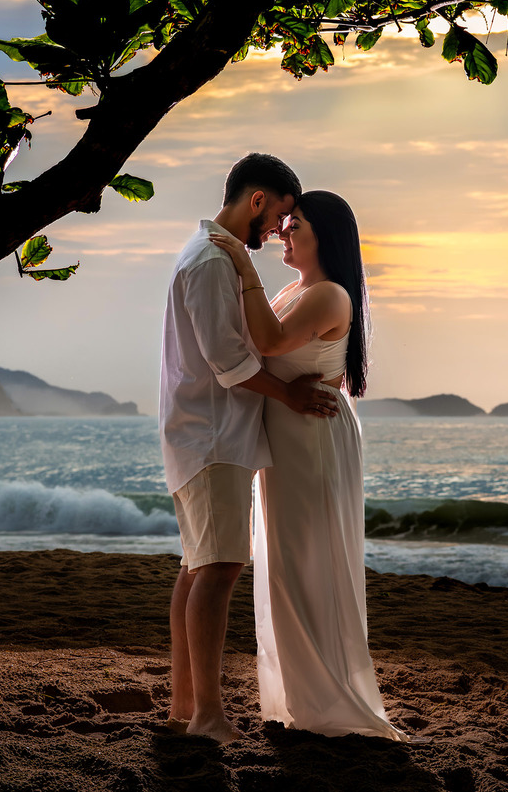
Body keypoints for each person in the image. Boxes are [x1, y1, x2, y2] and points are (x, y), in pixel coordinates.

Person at [208, 190, 407, 741]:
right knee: (287, 563)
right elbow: (255, 342)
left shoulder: (329, 295)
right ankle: (302, 699)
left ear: (326, 238)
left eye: (295, 225)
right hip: (290, 434)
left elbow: (268, 339)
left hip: (312, 436)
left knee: (307, 562)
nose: (283, 233)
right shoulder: (298, 289)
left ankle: (327, 701)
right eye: (285, 223)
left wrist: (241, 263)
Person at [159, 154, 338, 744]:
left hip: (204, 432)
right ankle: (207, 714)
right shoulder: (213, 261)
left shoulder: (211, 255)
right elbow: (230, 363)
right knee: (217, 569)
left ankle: (186, 708)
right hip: (214, 434)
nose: (279, 230)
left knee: (198, 567)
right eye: (280, 215)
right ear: (258, 200)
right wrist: (288, 393)